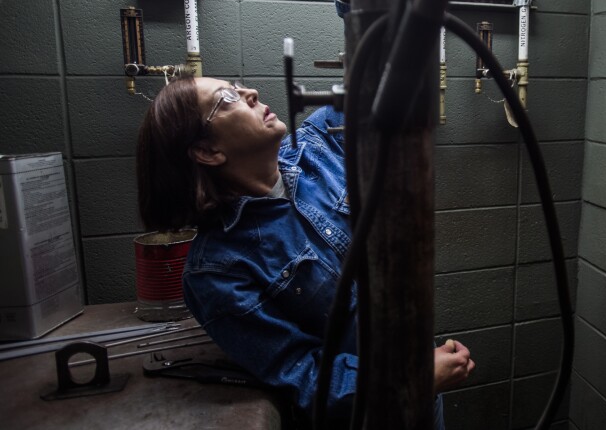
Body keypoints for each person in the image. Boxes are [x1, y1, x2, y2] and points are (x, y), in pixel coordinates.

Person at [136, 77, 475, 428]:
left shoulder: (319, 142)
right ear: (208, 152)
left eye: (237, 86)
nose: (250, 93)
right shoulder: (216, 271)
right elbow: (302, 372)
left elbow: (383, 84)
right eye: (227, 98)